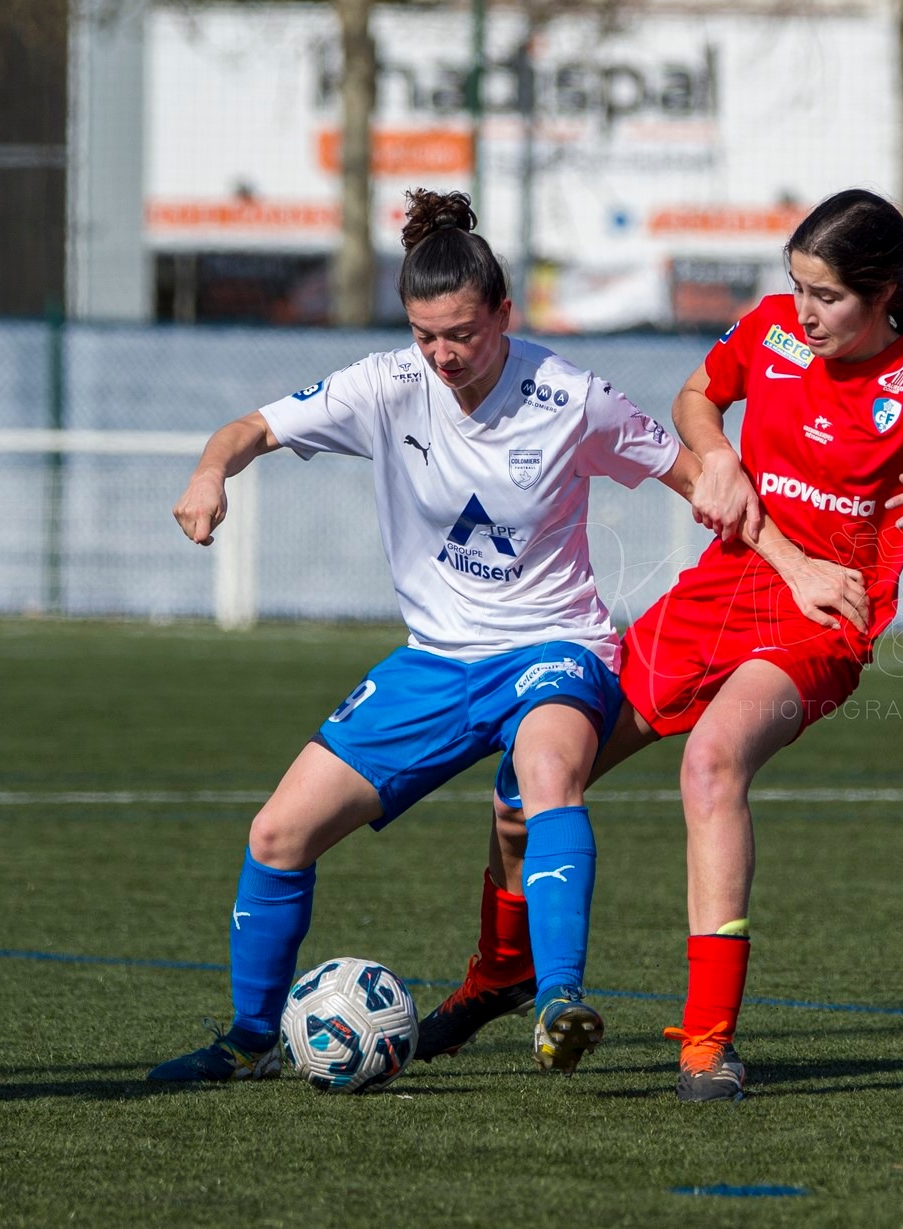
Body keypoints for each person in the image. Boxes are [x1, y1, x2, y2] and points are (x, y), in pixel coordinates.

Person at [419, 188, 903, 1102]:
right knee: (531, 777)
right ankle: (501, 973)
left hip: (822, 615)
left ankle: (707, 1042)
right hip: (716, 592)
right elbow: (694, 398)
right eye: (797, 286)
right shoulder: (769, 331)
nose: (805, 311)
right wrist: (714, 450)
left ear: (883, 295)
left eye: (828, 296)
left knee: (712, 764)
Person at [147, 188, 702, 1083]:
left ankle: (558, 998)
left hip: (552, 647)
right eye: (424, 334)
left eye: (462, 334)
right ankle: (250, 1039)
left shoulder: (570, 396)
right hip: (435, 663)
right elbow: (248, 427)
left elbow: (691, 472)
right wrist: (211, 474)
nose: (443, 355)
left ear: (504, 316)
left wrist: (755, 520)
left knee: (546, 777)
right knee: (276, 835)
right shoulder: (386, 385)